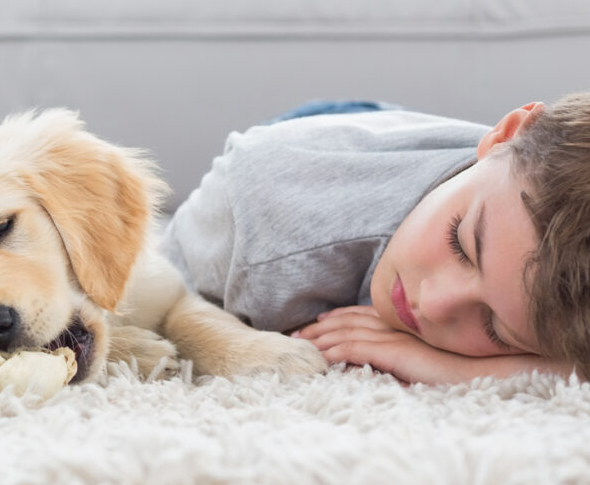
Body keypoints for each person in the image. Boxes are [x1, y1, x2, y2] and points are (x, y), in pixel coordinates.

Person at [161, 96, 590, 385]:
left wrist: (439, 365)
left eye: (496, 329)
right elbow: (154, 287)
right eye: (460, 244)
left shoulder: (500, 200)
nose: (433, 304)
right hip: (319, 143)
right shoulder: (265, 235)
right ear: (504, 135)